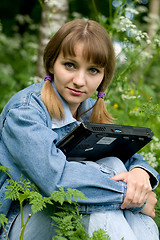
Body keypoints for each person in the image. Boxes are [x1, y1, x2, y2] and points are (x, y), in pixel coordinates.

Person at [0, 19, 159, 240]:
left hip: (73, 212)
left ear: (103, 77)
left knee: (114, 164)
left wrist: (140, 173)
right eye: (70, 65)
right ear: (51, 63)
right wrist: (132, 197)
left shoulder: (91, 110)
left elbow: (130, 158)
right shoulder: (25, 111)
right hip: (20, 223)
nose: (79, 80)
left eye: (93, 70)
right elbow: (56, 180)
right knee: (104, 198)